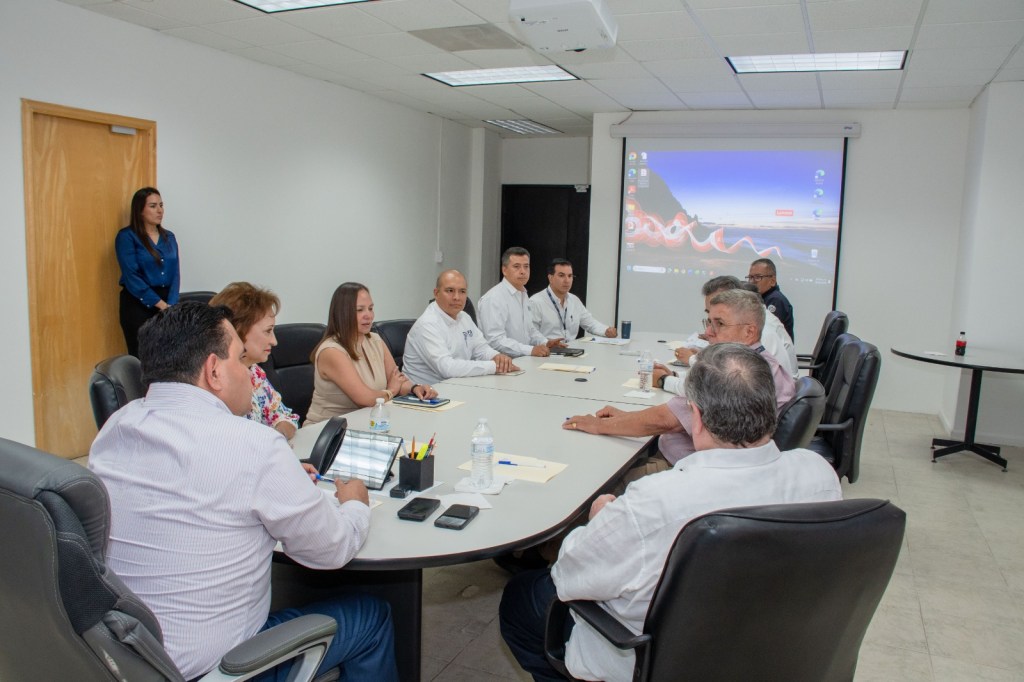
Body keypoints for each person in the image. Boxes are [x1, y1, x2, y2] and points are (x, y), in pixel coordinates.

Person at [89, 302, 397, 682]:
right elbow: (331, 550)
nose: (252, 374)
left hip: (124, 656)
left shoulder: (116, 428)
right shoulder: (253, 445)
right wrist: (354, 505)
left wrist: (277, 479)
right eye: (241, 360)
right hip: (215, 669)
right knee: (371, 616)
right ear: (214, 371)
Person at [499, 343, 842, 682]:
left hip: (662, 656)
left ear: (697, 417)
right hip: (774, 643)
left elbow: (570, 576)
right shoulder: (819, 475)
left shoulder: (658, 499)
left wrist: (601, 518)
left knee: (522, 598)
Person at [568, 289, 796, 477]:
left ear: (749, 332)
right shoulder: (765, 364)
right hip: (712, 467)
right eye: (709, 322)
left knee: (596, 474)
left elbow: (665, 421)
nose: (708, 332)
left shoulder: (734, 372)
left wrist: (600, 425)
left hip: (685, 470)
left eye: (719, 324)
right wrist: (623, 417)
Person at [306, 282, 437, 425]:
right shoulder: (332, 351)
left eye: (370, 308)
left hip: (367, 423)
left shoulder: (375, 340)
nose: (368, 315)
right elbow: (365, 399)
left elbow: (397, 379)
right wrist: (392, 390)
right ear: (342, 314)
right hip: (326, 431)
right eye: (360, 310)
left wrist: (415, 388)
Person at [666, 275, 797, 385]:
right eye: (710, 319)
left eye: (720, 322)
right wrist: (675, 374)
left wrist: (666, 380)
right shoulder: (746, 327)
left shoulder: (763, 331)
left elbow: (716, 386)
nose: (708, 332)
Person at [209, 282, 299, 439]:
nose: (274, 341)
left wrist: (277, 437)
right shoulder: (214, 382)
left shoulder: (255, 372)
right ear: (238, 331)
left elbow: (285, 417)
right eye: (268, 331)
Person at [403, 270, 521, 386]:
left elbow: (481, 349)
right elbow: (447, 368)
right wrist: (494, 366)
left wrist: (497, 357)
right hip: (426, 394)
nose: (457, 297)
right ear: (436, 293)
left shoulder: (464, 317)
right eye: (450, 291)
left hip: (457, 386)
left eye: (462, 291)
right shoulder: (428, 324)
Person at [115, 187, 180, 356]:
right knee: (142, 357)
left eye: (161, 205)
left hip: (167, 303)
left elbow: (175, 274)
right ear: (140, 210)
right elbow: (132, 277)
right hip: (139, 303)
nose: (160, 210)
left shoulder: (169, 237)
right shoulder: (127, 237)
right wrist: (161, 305)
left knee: (167, 356)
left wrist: (171, 306)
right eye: (153, 206)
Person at [477, 247, 566, 357]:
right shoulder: (494, 298)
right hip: (500, 365)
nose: (523, 271)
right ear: (504, 270)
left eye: (526, 266)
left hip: (523, 360)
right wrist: (530, 350)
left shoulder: (523, 294)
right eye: (516, 267)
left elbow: (530, 331)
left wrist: (545, 342)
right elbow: (495, 341)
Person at [530, 258, 616, 342]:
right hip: (546, 353)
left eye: (570, 276)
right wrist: (547, 343)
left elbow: (590, 323)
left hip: (571, 351)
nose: (567, 280)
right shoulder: (536, 302)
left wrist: (606, 330)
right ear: (550, 278)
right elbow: (530, 334)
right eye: (561, 275)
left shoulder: (574, 300)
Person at [749, 257, 794, 341]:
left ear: (772, 281)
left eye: (758, 277)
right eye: (751, 277)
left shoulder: (776, 300)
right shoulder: (761, 298)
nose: (752, 281)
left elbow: (765, 332)